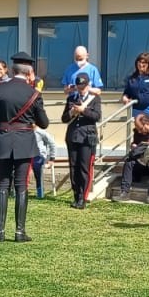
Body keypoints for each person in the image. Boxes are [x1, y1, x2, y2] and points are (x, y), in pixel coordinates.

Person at [0, 51, 48, 242]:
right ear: (30, 72)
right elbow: (44, 123)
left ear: (12, 70)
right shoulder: (34, 93)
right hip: (25, 141)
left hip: (4, 139)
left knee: (2, 185)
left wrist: (3, 129)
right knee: (21, 186)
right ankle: (20, 232)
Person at [62, 72, 102, 208]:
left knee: (84, 168)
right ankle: (76, 195)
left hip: (87, 137)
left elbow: (97, 116)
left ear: (88, 85)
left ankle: (83, 198)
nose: (81, 88)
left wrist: (83, 110)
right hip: (73, 136)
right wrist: (72, 112)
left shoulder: (94, 99)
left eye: (83, 86)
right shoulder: (71, 98)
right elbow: (64, 118)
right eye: (79, 86)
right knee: (74, 168)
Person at [117, 112, 149, 203]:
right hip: (142, 162)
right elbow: (135, 151)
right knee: (129, 162)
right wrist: (134, 147)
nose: (139, 131)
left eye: (140, 128)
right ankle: (124, 192)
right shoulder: (138, 133)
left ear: (147, 124)